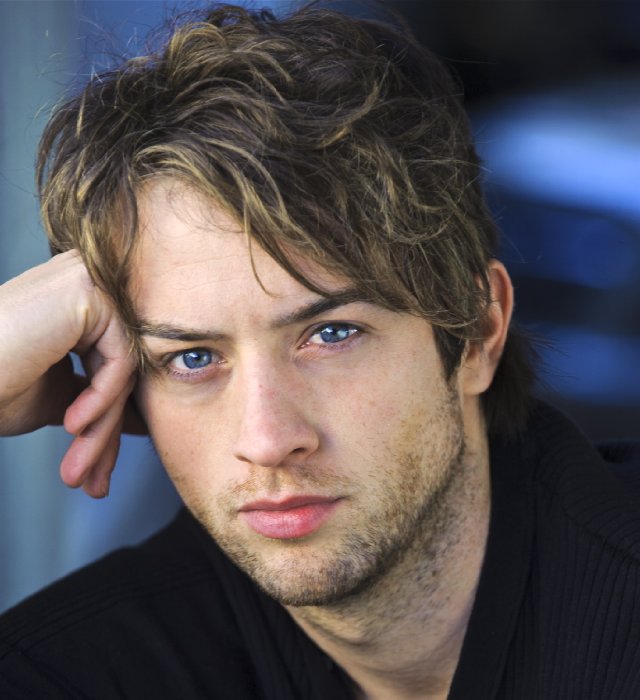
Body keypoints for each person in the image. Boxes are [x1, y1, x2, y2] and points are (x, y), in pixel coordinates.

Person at [0, 3, 639, 699]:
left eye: (331, 334)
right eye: (193, 357)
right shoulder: (71, 671)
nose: (268, 440)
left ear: (478, 334)